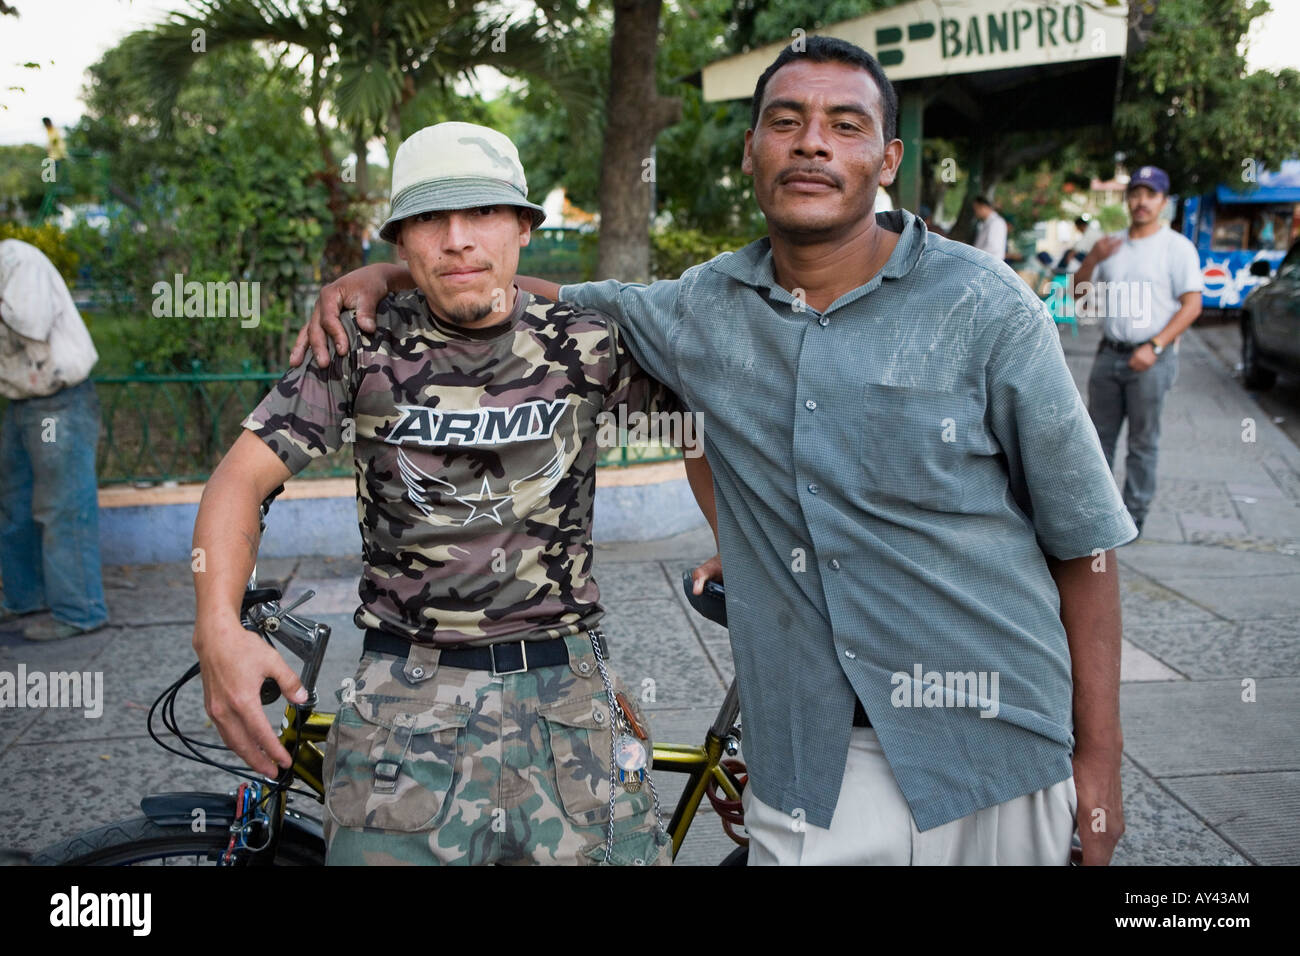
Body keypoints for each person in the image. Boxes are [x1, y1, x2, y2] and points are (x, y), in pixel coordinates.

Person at [296, 38, 1136, 866]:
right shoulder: (702, 308)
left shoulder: (986, 307)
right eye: (786, 120)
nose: (812, 141)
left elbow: (1083, 546)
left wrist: (1098, 763)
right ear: (751, 151)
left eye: (845, 125)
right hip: (812, 770)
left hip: (998, 757)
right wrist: (392, 276)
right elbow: (535, 294)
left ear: (888, 159)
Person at [192, 122, 696, 865]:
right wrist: (216, 628)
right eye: (429, 218)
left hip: (568, 698)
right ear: (401, 240)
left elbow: (703, 427)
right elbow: (239, 478)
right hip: (404, 705)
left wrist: (743, 560)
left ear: (524, 226)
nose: (457, 240)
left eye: (484, 213)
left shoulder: (587, 343)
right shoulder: (360, 344)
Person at [1074, 165, 1203, 536]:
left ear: (1163, 201)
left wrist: (1156, 346)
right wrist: (1092, 259)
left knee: (1143, 443)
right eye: (1135, 193)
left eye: (1150, 194)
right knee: (1095, 439)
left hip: (1152, 358)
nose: (1141, 201)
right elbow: (1080, 298)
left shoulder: (1176, 247)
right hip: (1108, 354)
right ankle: (1095, 515)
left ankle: (1134, 517)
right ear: (1127, 198)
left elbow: (1192, 305)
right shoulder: (1110, 245)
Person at [0, 239, 109, 641]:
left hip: (58, 403)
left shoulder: (16, 259)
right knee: (13, 506)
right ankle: (24, 596)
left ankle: (80, 611)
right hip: (20, 402)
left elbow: (29, 321)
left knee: (62, 506)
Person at [971, 194, 1008, 261]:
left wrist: (972, 254)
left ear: (983, 207)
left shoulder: (996, 223)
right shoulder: (985, 223)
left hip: (989, 264)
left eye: (976, 209)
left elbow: (992, 247)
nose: (975, 212)